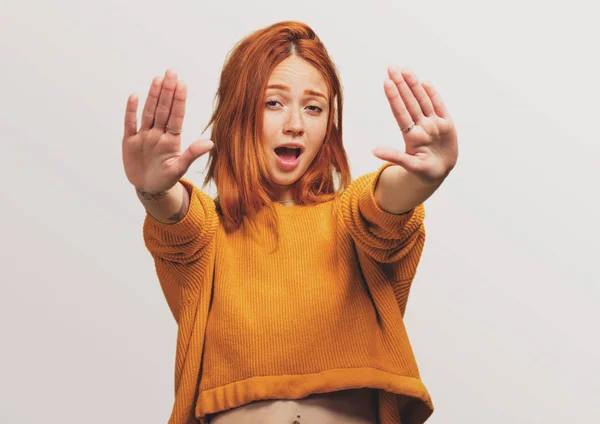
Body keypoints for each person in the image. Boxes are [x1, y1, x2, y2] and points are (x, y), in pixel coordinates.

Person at [122, 20, 458, 424]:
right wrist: (153, 189)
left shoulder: (350, 221)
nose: (295, 124)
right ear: (238, 113)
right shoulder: (211, 234)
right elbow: (177, 222)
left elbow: (385, 205)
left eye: (313, 107)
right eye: (273, 103)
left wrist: (423, 177)